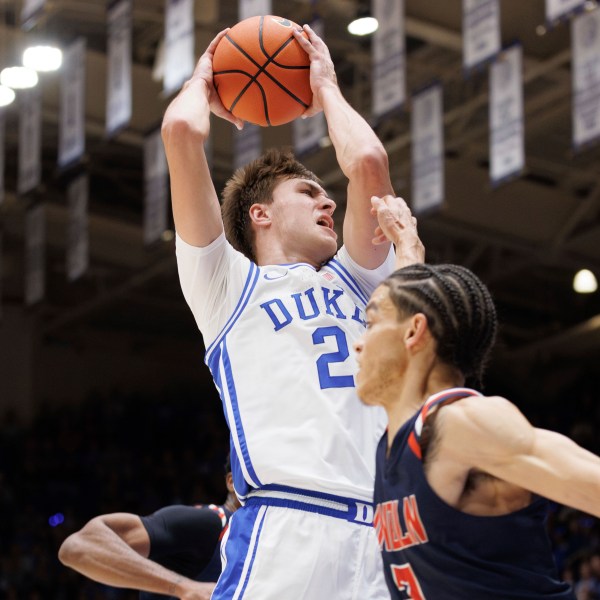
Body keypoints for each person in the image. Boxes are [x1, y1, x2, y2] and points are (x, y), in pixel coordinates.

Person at [161, 19, 424, 600]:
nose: (328, 200)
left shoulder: (358, 281)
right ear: (260, 215)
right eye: (307, 192)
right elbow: (180, 130)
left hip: (384, 533)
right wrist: (207, 81)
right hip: (288, 524)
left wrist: (325, 86)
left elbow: (370, 165)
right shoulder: (226, 286)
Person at [353, 260, 600, 599]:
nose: (358, 343)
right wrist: (407, 254)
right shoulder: (394, 442)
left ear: (413, 332)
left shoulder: (462, 424)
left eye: (370, 323)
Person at [58, 457, 241, 600]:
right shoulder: (209, 523)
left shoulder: (260, 545)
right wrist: (185, 587)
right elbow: (78, 547)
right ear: (232, 482)